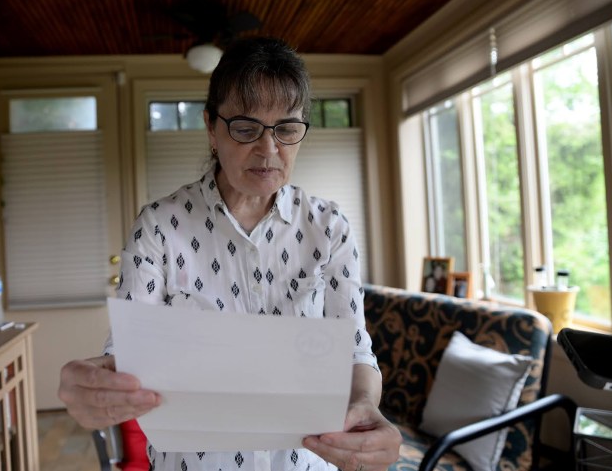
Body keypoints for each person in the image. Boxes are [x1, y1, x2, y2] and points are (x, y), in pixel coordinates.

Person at [58, 36, 402, 471]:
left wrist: (366, 407)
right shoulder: (161, 227)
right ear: (211, 126)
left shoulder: (328, 228)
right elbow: (128, 357)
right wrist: (94, 388)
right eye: (245, 128)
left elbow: (355, 353)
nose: (269, 149)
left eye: (287, 129)